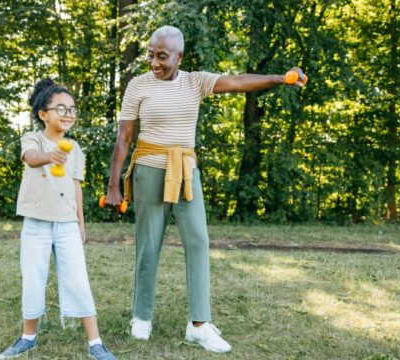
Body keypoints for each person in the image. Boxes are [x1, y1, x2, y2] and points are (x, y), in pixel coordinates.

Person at [104, 25, 306, 353]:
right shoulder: (137, 85)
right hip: (149, 171)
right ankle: (141, 317)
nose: (153, 62)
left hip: (186, 172)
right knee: (148, 246)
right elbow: (125, 136)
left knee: (198, 240)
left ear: (179, 56)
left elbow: (239, 82)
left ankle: (198, 325)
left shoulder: (195, 81)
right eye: (150, 54)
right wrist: (114, 185)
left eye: (162, 56)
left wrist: (280, 79)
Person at [0, 79, 116, 360]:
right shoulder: (33, 139)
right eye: (61, 108)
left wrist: (81, 223)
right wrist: (50, 155)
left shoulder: (74, 148)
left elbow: (76, 186)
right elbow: (31, 158)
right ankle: (28, 337)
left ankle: (95, 343)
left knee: (78, 280)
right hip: (36, 224)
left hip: (66, 225)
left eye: (72, 109)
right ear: (43, 114)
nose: (68, 114)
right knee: (33, 279)